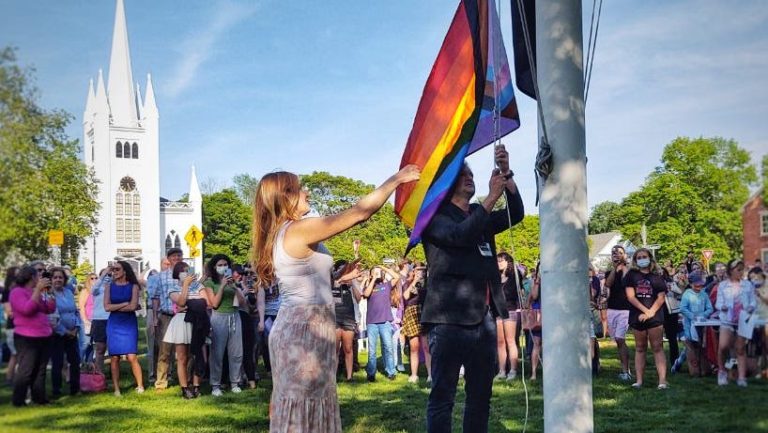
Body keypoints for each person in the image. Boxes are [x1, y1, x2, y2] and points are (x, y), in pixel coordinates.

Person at [252, 165, 419, 432]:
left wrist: (339, 277)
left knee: (307, 407)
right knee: (304, 411)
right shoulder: (297, 230)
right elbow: (358, 213)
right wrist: (395, 180)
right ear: (284, 197)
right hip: (303, 332)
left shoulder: (286, 233)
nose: (306, 193)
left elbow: (307, 282)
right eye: (298, 189)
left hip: (305, 327)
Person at [420, 144, 523, 433]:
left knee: (481, 397)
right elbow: (460, 236)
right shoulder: (434, 216)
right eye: (462, 173)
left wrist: (506, 173)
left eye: (471, 172)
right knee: (444, 397)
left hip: (483, 320)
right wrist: (491, 197)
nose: (469, 176)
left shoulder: (478, 212)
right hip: (447, 320)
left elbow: (516, 214)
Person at [10, 264, 56, 406]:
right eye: (37, 275)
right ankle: (18, 401)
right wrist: (37, 290)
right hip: (26, 337)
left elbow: (49, 309)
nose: (40, 278)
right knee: (26, 370)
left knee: (40, 370)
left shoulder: (35, 292)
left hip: (43, 335)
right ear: (31, 277)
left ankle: (39, 399)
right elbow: (27, 309)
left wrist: (50, 292)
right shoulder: (17, 292)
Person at [624, 248, 668, 390]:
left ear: (650, 258)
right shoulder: (631, 275)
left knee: (657, 347)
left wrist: (651, 313)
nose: (642, 259)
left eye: (645, 256)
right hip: (638, 316)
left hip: (655, 317)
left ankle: (662, 381)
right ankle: (639, 380)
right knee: (640, 347)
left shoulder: (657, 276)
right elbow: (630, 297)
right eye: (639, 257)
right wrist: (645, 311)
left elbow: (661, 297)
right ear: (635, 260)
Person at [203, 254, 245, 396]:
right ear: (214, 267)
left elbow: (242, 302)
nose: (223, 267)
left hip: (235, 316)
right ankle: (216, 385)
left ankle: (235, 382)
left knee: (236, 352)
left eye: (225, 265)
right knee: (217, 353)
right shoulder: (210, 283)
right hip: (219, 317)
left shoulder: (232, 282)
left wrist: (235, 287)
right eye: (220, 265)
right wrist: (222, 286)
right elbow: (214, 303)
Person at [166, 261, 209, 399]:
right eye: (183, 271)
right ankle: (184, 388)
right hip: (182, 322)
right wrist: (185, 286)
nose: (187, 273)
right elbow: (180, 302)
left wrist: (190, 305)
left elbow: (206, 303)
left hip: (199, 321)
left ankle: (196, 385)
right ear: (178, 274)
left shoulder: (199, 286)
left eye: (188, 270)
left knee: (199, 355)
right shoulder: (173, 287)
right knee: (182, 357)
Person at [104, 261, 143, 395]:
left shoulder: (134, 287)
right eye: (113, 269)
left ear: (125, 271)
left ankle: (140, 386)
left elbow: (133, 307)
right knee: (114, 357)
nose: (114, 272)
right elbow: (106, 307)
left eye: (117, 269)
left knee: (132, 356)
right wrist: (125, 303)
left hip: (129, 324)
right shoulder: (109, 286)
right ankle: (116, 388)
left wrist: (118, 306)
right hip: (114, 324)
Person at [715, 259, 756, 387]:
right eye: (738, 270)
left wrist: (750, 307)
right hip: (727, 320)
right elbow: (718, 303)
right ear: (731, 271)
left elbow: (753, 301)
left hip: (742, 320)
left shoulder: (748, 285)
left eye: (742, 269)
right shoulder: (722, 285)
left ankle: (742, 377)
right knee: (723, 346)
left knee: (740, 348)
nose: (740, 272)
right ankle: (722, 372)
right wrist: (723, 307)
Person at [148, 248, 184, 390]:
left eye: (179, 256)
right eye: (174, 256)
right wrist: (155, 317)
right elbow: (155, 297)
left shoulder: (186, 275)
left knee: (183, 350)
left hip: (183, 315)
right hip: (166, 315)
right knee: (164, 350)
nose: (177, 258)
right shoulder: (161, 277)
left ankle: (183, 379)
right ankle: (161, 382)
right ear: (168, 259)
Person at [362, 265, 401, 381]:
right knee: (372, 349)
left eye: (378, 273)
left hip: (385, 322)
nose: (377, 274)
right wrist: (373, 278)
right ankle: (371, 373)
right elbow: (366, 294)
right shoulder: (368, 286)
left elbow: (396, 276)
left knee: (388, 347)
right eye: (374, 272)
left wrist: (382, 267)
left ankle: (391, 371)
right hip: (372, 323)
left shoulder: (386, 285)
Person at [49, 267, 81, 397]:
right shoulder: (49, 295)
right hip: (58, 334)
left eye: (60, 277)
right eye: (55, 277)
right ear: (51, 280)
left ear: (64, 279)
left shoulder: (68, 292)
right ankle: (57, 391)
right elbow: (52, 317)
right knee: (58, 362)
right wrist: (66, 331)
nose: (58, 280)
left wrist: (76, 327)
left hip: (73, 333)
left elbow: (75, 311)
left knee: (74, 361)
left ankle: (75, 388)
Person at [332, 260, 363, 382]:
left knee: (348, 348)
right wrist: (343, 279)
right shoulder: (333, 280)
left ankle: (349, 377)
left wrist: (353, 284)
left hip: (349, 318)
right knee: (334, 349)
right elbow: (335, 284)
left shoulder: (352, 281)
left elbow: (359, 298)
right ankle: (332, 376)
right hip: (335, 317)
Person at [605, 245, 632, 381]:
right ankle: (625, 367)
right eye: (613, 252)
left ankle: (626, 371)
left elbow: (626, 281)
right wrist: (615, 268)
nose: (616, 254)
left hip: (625, 309)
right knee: (617, 340)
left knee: (621, 338)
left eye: (619, 252)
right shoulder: (610, 272)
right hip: (612, 309)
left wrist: (623, 265)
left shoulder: (629, 270)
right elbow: (608, 284)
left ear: (624, 255)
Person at [679, 270, 714, 377]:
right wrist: (692, 316)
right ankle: (694, 371)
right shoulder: (687, 294)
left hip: (702, 326)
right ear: (691, 284)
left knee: (702, 348)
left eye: (700, 285)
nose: (699, 287)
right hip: (689, 326)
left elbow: (710, 308)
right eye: (696, 285)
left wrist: (703, 315)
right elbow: (683, 308)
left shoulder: (704, 294)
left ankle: (705, 370)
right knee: (692, 348)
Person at [495, 252, 523, 381]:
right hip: (497, 312)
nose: (499, 263)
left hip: (510, 310)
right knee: (500, 342)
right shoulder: (495, 277)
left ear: (508, 262)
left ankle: (513, 370)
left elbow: (516, 292)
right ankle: (501, 370)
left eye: (501, 260)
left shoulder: (514, 276)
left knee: (510, 341)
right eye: (497, 261)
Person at [237, 264, 265, 389]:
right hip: (241, 319)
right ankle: (241, 374)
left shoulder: (257, 287)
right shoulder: (236, 286)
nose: (247, 277)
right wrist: (243, 290)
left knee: (254, 347)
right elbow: (239, 304)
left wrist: (261, 321)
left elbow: (259, 304)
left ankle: (253, 372)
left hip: (253, 319)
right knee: (240, 349)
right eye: (244, 274)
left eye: (251, 274)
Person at [402, 265, 431, 384]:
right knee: (414, 346)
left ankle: (430, 375)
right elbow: (405, 296)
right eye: (418, 270)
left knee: (426, 346)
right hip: (412, 312)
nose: (421, 273)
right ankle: (414, 375)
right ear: (413, 271)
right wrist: (414, 281)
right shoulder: (408, 283)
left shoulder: (429, 283)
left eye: (423, 270)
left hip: (424, 312)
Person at [145, 258, 169, 384]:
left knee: (168, 345)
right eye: (166, 264)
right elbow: (152, 295)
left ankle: (168, 373)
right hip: (154, 311)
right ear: (161, 265)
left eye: (169, 264)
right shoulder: (155, 278)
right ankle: (152, 373)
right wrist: (155, 317)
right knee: (153, 343)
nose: (168, 266)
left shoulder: (175, 278)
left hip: (169, 313)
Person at [90, 268, 111, 374]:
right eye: (105, 274)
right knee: (100, 348)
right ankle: (99, 373)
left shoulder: (112, 285)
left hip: (111, 318)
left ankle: (113, 372)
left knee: (113, 347)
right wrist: (102, 275)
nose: (108, 276)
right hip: (99, 319)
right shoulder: (97, 288)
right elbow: (93, 290)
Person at [1, 266, 19, 385]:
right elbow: (9, 312)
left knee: (15, 354)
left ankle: (10, 378)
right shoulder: (7, 292)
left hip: (17, 326)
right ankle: (12, 378)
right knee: (16, 354)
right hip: (13, 327)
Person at [751, 267, 768, 379]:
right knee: (757, 346)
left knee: (766, 345)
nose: (754, 280)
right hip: (755, 320)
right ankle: (758, 369)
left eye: (756, 277)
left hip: (766, 319)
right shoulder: (752, 287)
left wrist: (760, 295)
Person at [77, 273, 97, 365]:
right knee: (85, 343)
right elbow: (81, 306)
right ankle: (77, 363)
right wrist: (84, 320)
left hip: (95, 320)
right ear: (88, 280)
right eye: (92, 278)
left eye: (96, 278)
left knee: (91, 344)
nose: (94, 280)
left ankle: (89, 364)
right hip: (86, 320)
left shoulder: (97, 291)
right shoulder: (85, 291)